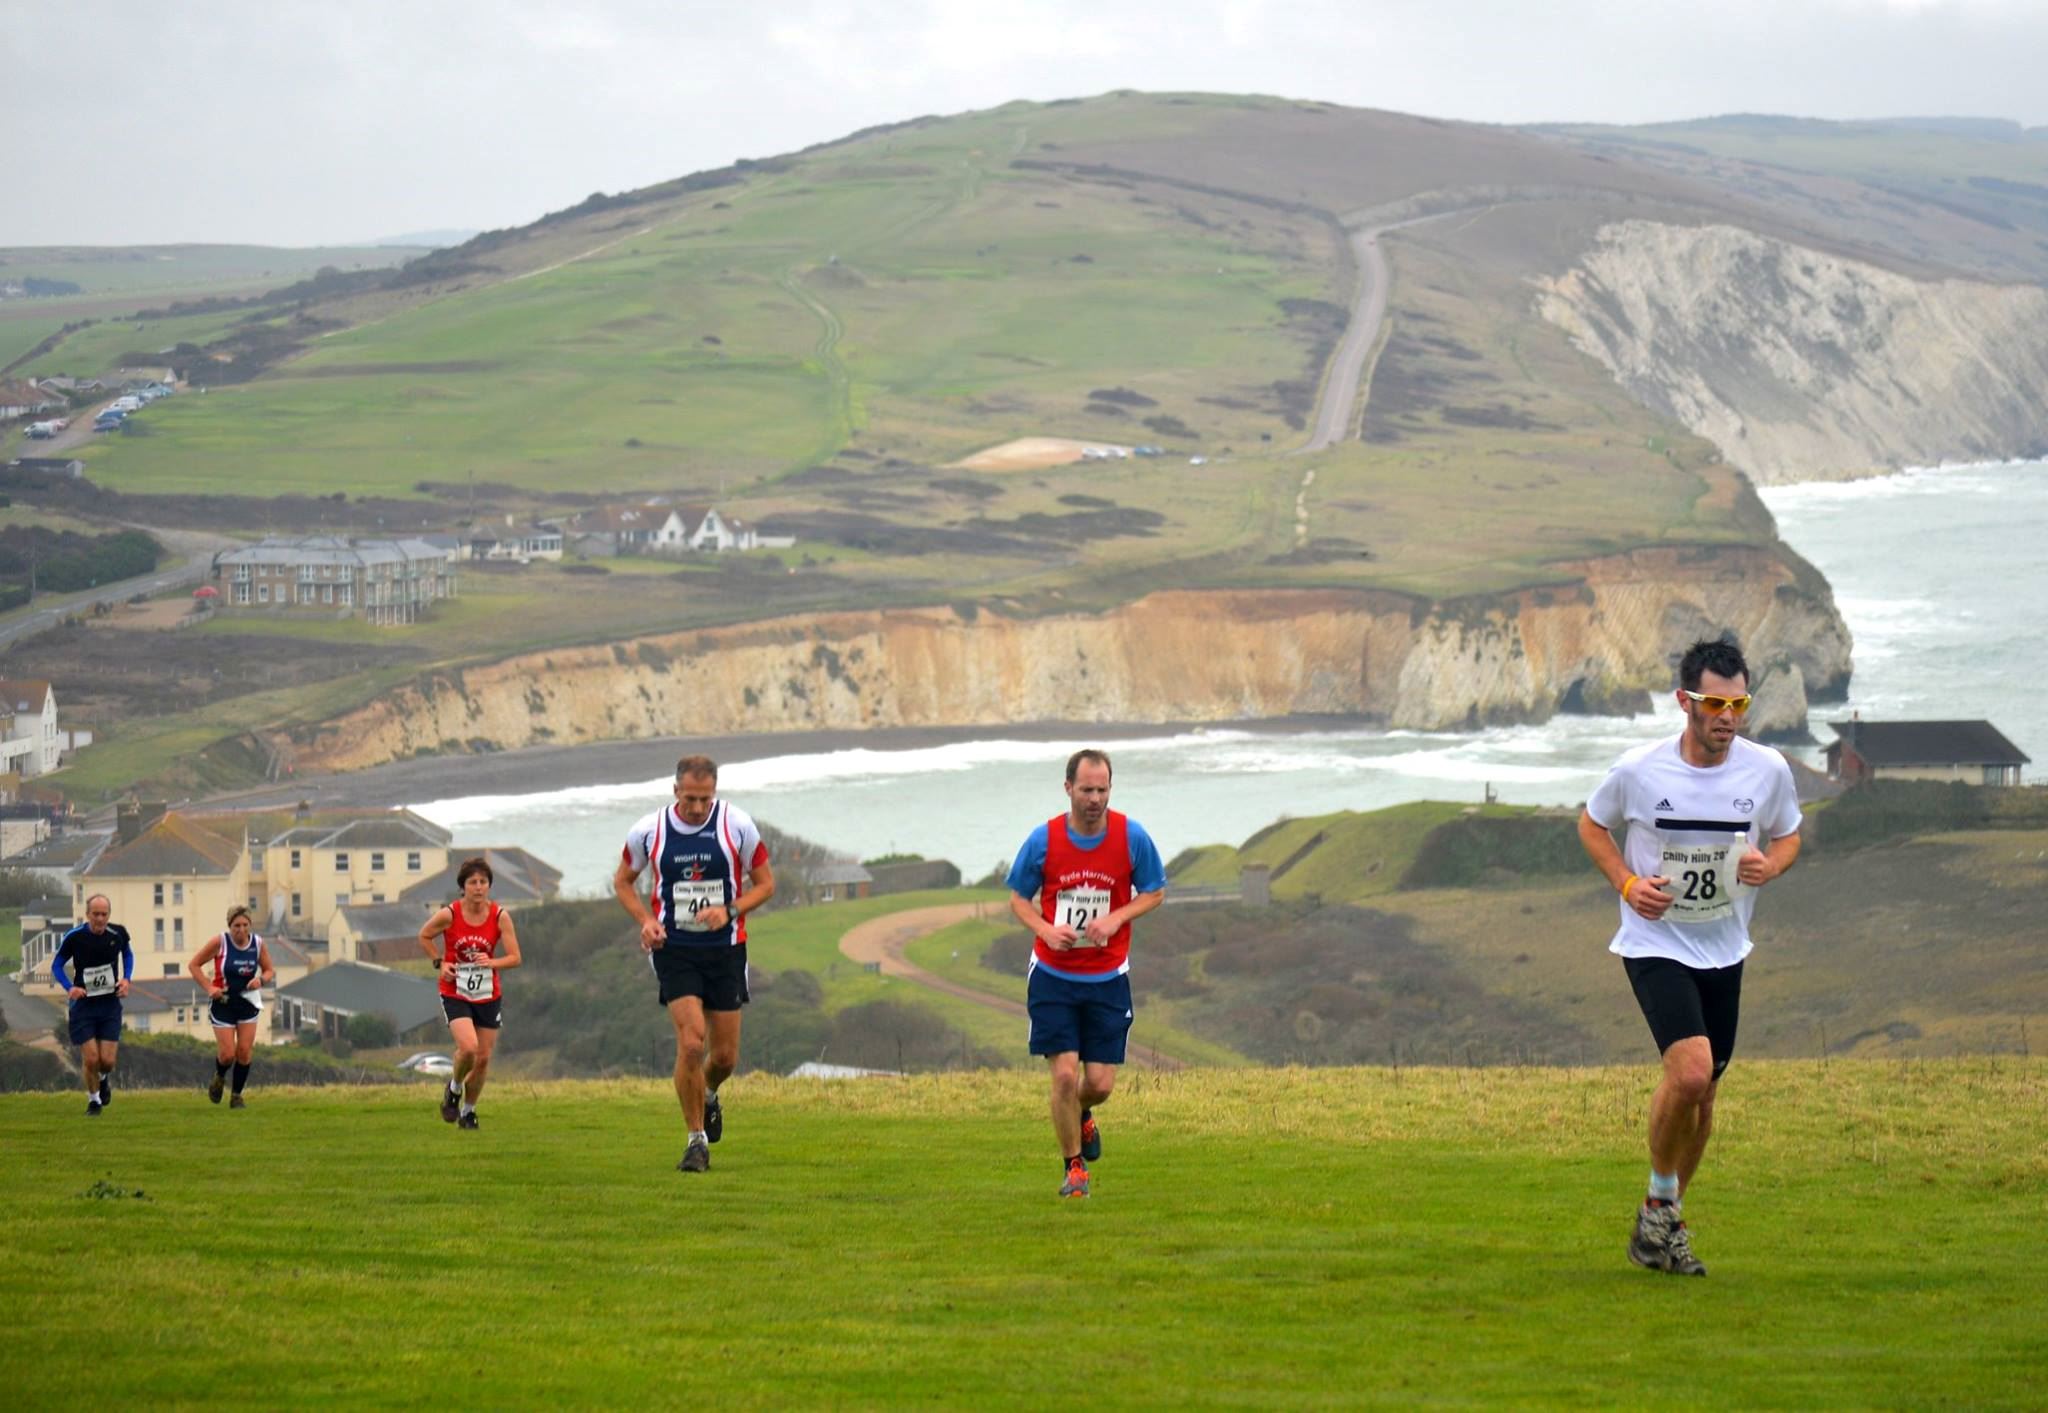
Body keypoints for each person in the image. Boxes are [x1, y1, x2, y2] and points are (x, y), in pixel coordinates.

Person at [1577, 638, 1803, 1276]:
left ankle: (1663, 1221)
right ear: (1685, 702)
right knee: (1691, 1073)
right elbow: (1592, 826)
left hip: (1725, 946)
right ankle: (1659, 1209)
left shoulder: (1768, 771)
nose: (1727, 717)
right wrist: (1627, 884)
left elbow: (1788, 835)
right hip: (1654, 942)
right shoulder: (1640, 770)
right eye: (1714, 703)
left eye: (1739, 703)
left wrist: (1769, 866)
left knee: (1703, 1098)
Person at [1006, 748, 1165, 1199]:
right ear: (1068, 788)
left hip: (1108, 978)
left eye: (1102, 789)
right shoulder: (1045, 840)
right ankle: (1074, 1170)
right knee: (1062, 1076)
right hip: (1054, 976)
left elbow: (1155, 891)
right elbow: (1018, 897)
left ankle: (1081, 1112)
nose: (1095, 798)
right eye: (1086, 789)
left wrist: (1117, 918)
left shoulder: (1132, 837)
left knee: (1097, 1084)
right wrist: (1044, 928)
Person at [613, 755, 775, 1174]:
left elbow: (767, 884)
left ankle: (709, 1092)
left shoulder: (737, 825)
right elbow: (623, 881)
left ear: (714, 793)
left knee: (723, 1058)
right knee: (691, 1042)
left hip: (725, 949)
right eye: (690, 799)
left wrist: (731, 910)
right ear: (675, 792)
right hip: (675, 948)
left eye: (705, 799)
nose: (699, 807)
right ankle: (695, 1142)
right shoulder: (648, 831)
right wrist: (646, 921)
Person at [418, 857, 521, 1131]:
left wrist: (492, 963)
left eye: (483, 882)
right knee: (469, 1048)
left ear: (489, 886)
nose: (478, 887)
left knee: (484, 1058)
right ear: (463, 887)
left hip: (487, 993)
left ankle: (469, 1112)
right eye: (472, 882)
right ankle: (453, 1089)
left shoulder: (500, 916)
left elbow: (515, 957)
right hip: (456, 990)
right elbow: (424, 935)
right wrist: (440, 963)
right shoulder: (450, 914)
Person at [51, 895, 133, 1117]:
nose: (99, 918)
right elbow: (57, 964)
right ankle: (94, 1101)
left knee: (107, 1061)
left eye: (104, 914)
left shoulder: (118, 934)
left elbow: (127, 953)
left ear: (109, 915)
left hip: (109, 1005)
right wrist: (70, 988)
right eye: (95, 914)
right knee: (91, 1059)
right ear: (87, 915)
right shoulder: (75, 937)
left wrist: (126, 979)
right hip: (83, 1006)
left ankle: (104, 1079)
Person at [187, 905, 276, 1109]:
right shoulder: (220, 943)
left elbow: (270, 970)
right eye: (237, 926)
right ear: (230, 926)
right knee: (228, 1054)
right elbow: (194, 965)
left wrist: (261, 980)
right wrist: (209, 987)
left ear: (250, 925)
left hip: (247, 1002)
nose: (241, 930)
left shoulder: (258, 944)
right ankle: (219, 1076)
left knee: (244, 1051)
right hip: (223, 1003)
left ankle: (236, 1096)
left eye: (245, 925)